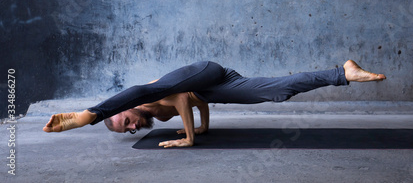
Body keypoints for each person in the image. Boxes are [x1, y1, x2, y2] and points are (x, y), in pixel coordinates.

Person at [43, 60, 386, 147]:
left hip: (204, 71)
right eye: (129, 130)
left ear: (122, 110)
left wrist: (191, 138)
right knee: (276, 91)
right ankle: (342, 72)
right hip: (209, 86)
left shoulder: (146, 99)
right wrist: (204, 125)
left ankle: (86, 116)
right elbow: (192, 100)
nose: (133, 127)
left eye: (126, 121)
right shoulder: (154, 118)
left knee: (148, 89)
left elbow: (179, 95)